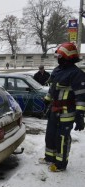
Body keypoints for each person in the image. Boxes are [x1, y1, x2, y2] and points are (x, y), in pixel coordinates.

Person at [39, 42, 85, 172]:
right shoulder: (58, 70)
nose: (58, 58)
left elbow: (81, 97)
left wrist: (80, 115)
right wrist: (46, 101)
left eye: (60, 56)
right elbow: (52, 89)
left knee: (62, 137)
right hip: (54, 110)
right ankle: (49, 158)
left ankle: (60, 164)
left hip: (67, 112)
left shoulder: (77, 74)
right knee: (50, 135)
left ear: (68, 57)